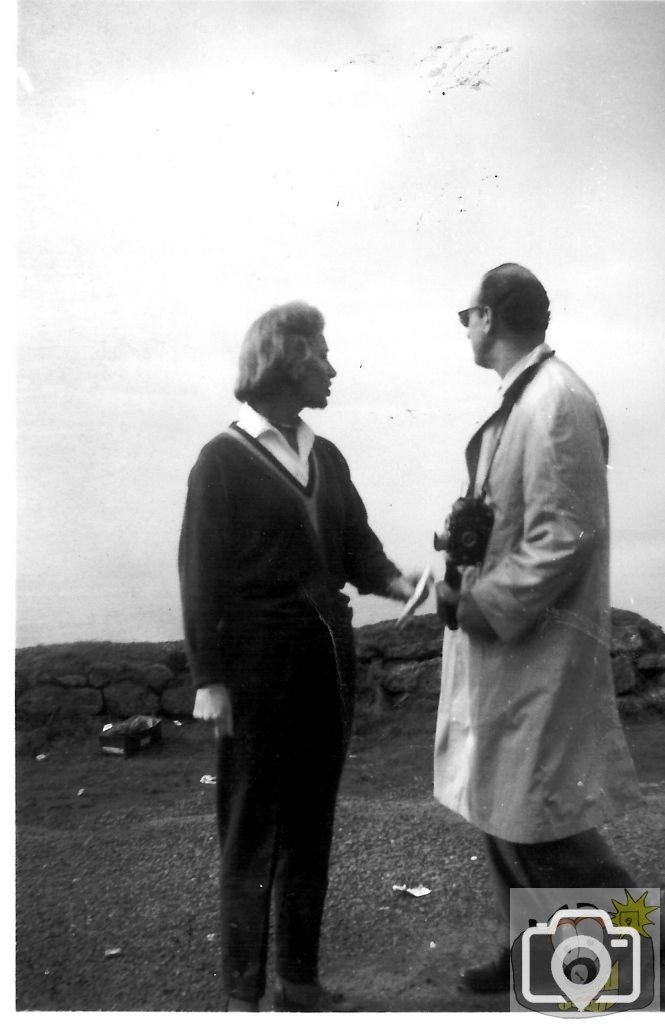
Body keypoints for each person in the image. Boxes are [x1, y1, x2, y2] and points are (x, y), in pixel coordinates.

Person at [178, 301, 422, 1011]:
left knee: (312, 822)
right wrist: (209, 680)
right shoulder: (220, 460)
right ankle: (242, 994)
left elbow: (357, 549)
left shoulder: (327, 456)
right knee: (253, 827)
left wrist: (396, 580)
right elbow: (199, 575)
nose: (334, 368)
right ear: (285, 362)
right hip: (255, 669)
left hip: (326, 664)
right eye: (322, 356)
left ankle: (299, 983)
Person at [433, 264, 641, 992]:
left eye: (468, 314)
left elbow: (564, 534)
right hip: (509, 649)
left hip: (537, 648)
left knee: (538, 816)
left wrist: (483, 603)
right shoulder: (523, 398)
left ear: (488, 317)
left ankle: (627, 954)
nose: (466, 327)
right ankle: (527, 948)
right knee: (503, 805)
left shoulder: (554, 401)